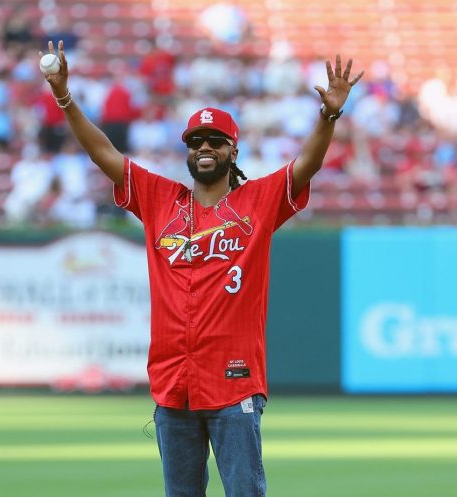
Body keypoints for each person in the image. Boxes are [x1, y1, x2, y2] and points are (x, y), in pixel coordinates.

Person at [40, 40, 362, 497]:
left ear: (233, 150)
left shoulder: (257, 201)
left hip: (233, 384)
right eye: (195, 141)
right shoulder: (161, 200)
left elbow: (305, 166)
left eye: (215, 140)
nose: (204, 147)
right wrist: (65, 98)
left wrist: (328, 116)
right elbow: (104, 155)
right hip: (174, 385)